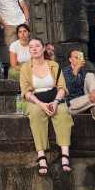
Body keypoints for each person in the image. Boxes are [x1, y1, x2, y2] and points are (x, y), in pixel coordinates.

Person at [19, 38, 73, 176]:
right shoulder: (25, 68)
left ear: (43, 48)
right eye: (31, 47)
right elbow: (26, 91)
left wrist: (55, 102)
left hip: (54, 98)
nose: (34, 49)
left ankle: (65, 154)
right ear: (29, 50)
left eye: (37, 46)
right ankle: (41, 154)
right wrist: (41, 104)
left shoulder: (53, 65)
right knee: (36, 114)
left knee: (62, 112)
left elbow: (62, 88)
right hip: (34, 100)